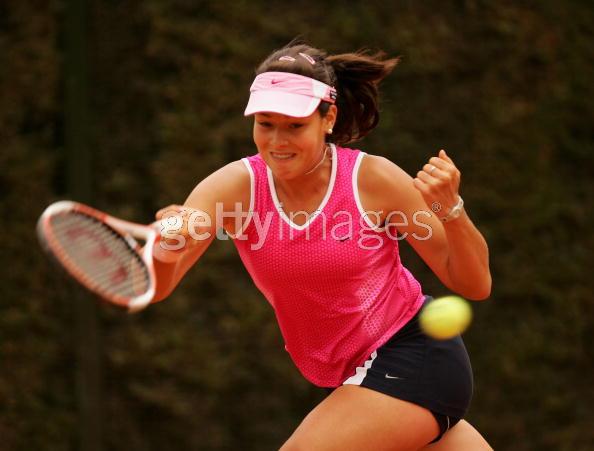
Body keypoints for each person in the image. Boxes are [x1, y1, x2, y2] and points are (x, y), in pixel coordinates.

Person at [151, 43, 493, 450]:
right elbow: (160, 285)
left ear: (328, 118)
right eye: (265, 124)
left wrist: (450, 208)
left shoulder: (374, 180)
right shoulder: (233, 188)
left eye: (294, 126)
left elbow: (474, 283)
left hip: (414, 357)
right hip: (363, 376)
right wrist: (165, 249)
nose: (277, 141)